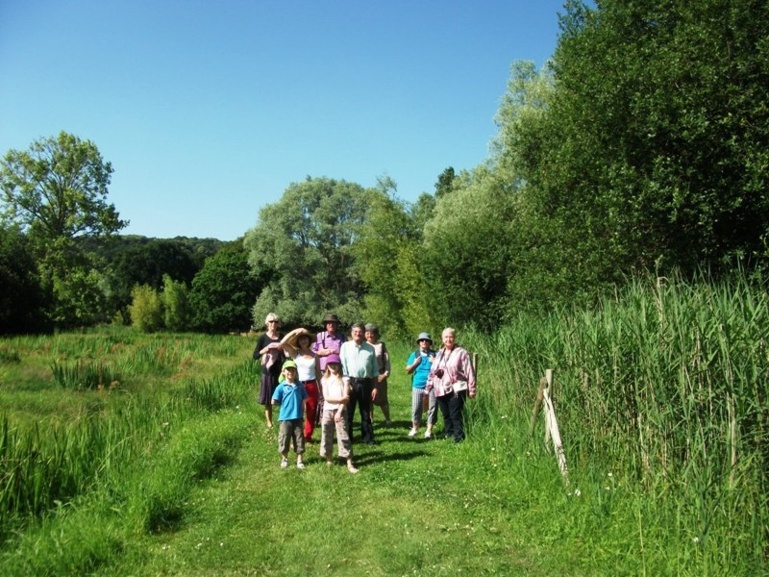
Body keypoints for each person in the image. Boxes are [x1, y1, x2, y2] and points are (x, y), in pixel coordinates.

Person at [426, 327, 476, 443]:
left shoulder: (462, 353)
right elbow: (433, 371)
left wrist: (472, 389)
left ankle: (459, 438)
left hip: (457, 388)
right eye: (446, 337)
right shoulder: (439, 354)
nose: (448, 339)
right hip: (440, 389)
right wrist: (428, 388)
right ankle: (449, 435)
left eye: (451, 337)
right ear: (442, 339)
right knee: (446, 415)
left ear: (454, 338)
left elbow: (469, 371)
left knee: (455, 414)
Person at [281, 327, 321, 443]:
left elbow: (318, 373)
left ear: (309, 341)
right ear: (298, 341)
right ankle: (296, 437)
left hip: (312, 385)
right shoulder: (295, 353)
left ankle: (307, 436)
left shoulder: (315, 355)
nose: (304, 341)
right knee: (296, 411)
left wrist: (322, 388)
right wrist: (295, 331)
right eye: (301, 339)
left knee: (311, 412)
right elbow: (282, 343)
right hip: (298, 386)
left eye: (306, 339)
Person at [340, 323, 378, 445]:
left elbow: (375, 370)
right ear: (351, 333)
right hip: (350, 382)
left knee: (366, 412)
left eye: (360, 331)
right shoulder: (345, 346)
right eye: (355, 331)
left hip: (366, 383)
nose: (358, 334)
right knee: (349, 412)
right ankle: (348, 437)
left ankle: (367, 437)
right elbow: (342, 367)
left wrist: (375, 387)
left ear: (364, 333)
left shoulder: (370, 348)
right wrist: (347, 383)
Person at [319, 356, 359, 473]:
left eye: (335, 364)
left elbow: (346, 398)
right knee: (326, 434)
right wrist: (341, 398)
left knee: (343, 435)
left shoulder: (345, 379)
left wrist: (340, 410)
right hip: (327, 410)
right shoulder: (324, 379)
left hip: (341, 411)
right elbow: (327, 398)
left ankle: (349, 463)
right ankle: (329, 459)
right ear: (327, 366)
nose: (333, 366)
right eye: (330, 364)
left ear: (339, 365)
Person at [271, 359, 308, 469]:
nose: (290, 372)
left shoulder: (300, 385)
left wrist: (303, 407)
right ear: (283, 372)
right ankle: (284, 458)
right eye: (288, 370)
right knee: (284, 438)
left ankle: (300, 460)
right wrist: (282, 404)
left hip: (298, 417)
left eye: (293, 370)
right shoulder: (281, 387)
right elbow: (274, 401)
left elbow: (304, 398)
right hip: (285, 418)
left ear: (296, 372)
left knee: (299, 438)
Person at [253, 312, 284, 429]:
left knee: (283, 397)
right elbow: (255, 355)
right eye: (271, 321)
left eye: (275, 322)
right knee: (268, 398)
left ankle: (283, 420)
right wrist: (265, 350)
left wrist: (282, 348)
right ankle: (269, 422)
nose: (273, 324)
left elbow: (288, 352)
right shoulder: (262, 338)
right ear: (267, 323)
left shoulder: (282, 336)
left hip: (281, 371)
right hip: (268, 372)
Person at [405, 332, 438, 438]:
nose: (424, 342)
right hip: (418, 384)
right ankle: (415, 428)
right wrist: (415, 363)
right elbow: (408, 371)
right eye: (422, 340)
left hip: (432, 384)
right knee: (416, 407)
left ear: (429, 343)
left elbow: (442, 369)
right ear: (419, 343)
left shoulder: (435, 354)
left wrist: (435, 362)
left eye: (427, 340)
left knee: (432, 407)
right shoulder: (414, 355)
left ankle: (429, 430)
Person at [365, 323, 392, 427]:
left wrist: (386, 373)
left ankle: (388, 419)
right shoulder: (363, 345)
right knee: (368, 399)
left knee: (382, 398)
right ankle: (371, 419)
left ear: (376, 334)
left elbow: (387, 361)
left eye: (372, 333)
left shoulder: (381, 345)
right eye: (367, 333)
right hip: (367, 375)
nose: (369, 336)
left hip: (379, 375)